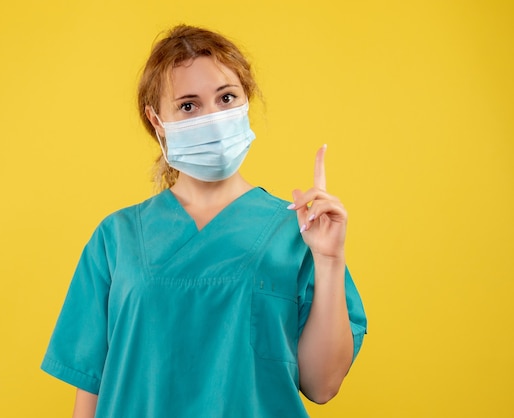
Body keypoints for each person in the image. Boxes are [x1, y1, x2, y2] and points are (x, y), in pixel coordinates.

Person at [41, 24, 367, 418]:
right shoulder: (117, 238)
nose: (213, 118)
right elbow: (90, 392)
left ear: (246, 102)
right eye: (188, 106)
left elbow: (323, 385)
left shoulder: (298, 232)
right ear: (157, 121)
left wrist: (330, 260)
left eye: (226, 98)